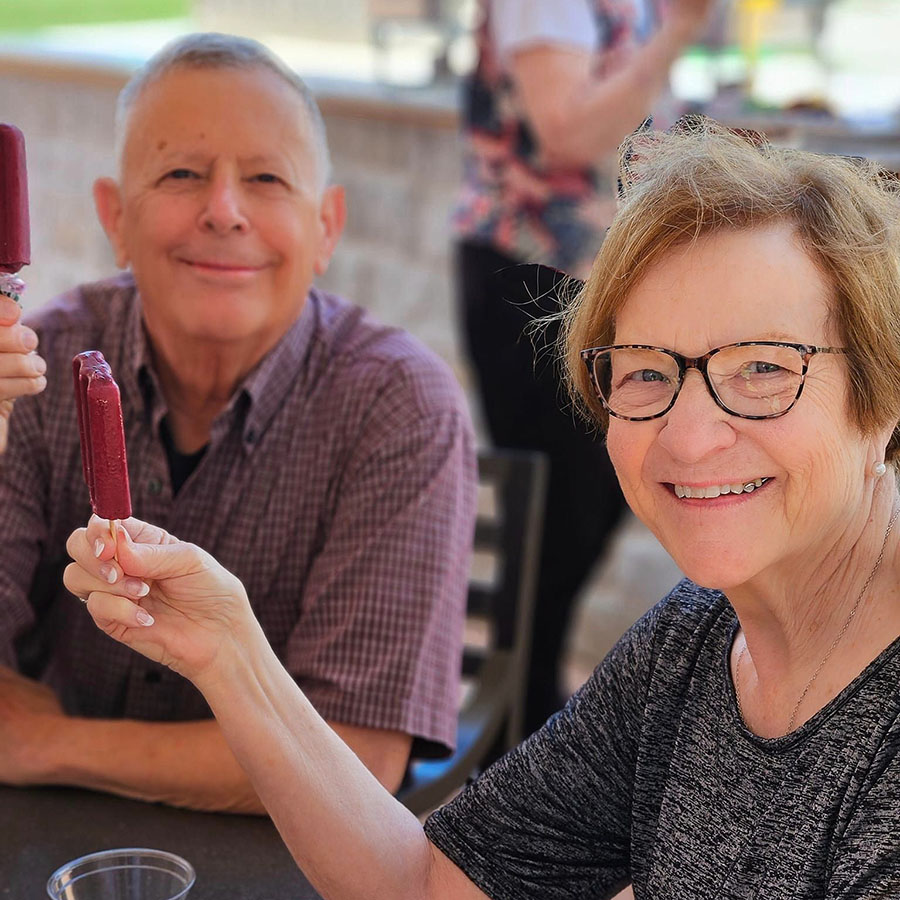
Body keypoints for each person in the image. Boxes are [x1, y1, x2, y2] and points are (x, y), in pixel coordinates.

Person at [68, 120, 900, 896]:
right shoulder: (690, 643)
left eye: (762, 368)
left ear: (882, 396)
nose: (688, 437)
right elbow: (426, 885)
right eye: (646, 371)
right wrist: (229, 652)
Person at [0, 33, 477, 814]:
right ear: (114, 218)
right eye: (182, 173)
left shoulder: (398, 407)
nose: (224, 212)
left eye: (266, 178)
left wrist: (41, 743)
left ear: (326, 227)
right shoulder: (37, 371)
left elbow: (358, 752)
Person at [456, 0, 716, 733]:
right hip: (535, 278)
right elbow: (568, 133)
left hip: (589, 279)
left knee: (586, 508)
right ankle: (519, 730)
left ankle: (528, 711)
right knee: (556, 519)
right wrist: (678, 32)